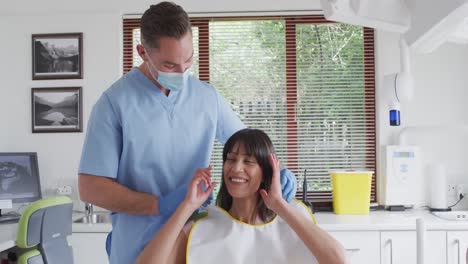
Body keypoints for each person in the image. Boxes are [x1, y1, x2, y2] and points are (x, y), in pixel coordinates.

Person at [78, 2, 297, 264]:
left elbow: (250, 148)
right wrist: (158, 205)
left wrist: (276, 170)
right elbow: (91, 188)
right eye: (170, 65)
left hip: (195, 243)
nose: (183, 72)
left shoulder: (206, 97)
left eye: (189, 59)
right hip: (137, 246)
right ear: (143, 52)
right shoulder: (114, 105)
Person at [136, 128, 347, 264]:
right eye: (231, 159)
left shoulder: (292, 216)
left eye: (248, 161)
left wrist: (280, 205)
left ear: (267, 171)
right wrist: (187, 206)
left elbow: (338, 260)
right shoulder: (202, 226)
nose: (236, 168)